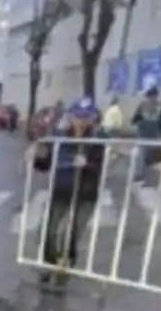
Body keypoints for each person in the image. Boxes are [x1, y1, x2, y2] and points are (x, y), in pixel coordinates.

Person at [29, 96, 108, 287]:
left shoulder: (99, 138)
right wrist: (37, 157)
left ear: (93, 119)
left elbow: (103, 165)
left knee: (72, 234)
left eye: (86, 117)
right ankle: (50, 265)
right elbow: (45, 164)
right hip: (62, 189)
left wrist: (88, 163)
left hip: (86, 193)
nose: (81, 121)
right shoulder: (59, 136)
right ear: (70, 116)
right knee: (49, 230)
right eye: (77, 116)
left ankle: (65, 267)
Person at [130, 85, 161, 182]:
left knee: (150, 158)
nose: (150, 98)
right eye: (149, 96)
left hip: (153, 136)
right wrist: (138, 122)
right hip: (142, 135)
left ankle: (147, 175)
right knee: (140, 156)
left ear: (156, 96)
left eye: (152, 96)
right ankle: (139, 174)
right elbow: (134, 119)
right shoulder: (142, 106)